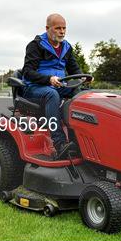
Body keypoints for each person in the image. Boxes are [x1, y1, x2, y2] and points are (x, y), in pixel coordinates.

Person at [22, 13, 85, 159]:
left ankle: (79, 140)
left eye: (64, 28)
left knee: (81, 94)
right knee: (52, 94)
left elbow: (74, 69)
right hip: (35, 88)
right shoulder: (36, 45)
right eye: (58, 28)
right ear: (47, 28)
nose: (62, 31)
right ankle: (60, 142)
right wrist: (48, 79)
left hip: (58, 85)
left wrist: (82, 77)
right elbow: (28, 72)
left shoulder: (66, 47)